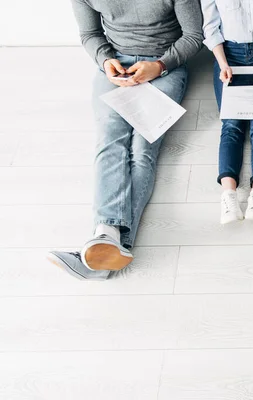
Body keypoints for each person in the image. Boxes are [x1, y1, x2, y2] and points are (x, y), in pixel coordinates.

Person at [47, 0, 204, 280]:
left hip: (164, 65)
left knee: (143, 147)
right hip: (116, 64)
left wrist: (159, 66)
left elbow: (194, 35)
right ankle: (109, 239)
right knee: (110, 140)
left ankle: (106, 242)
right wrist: (105, 61)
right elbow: (90, 35)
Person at [202, 0, 253, 224]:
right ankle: (229, 197)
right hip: (228, 54)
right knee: (231, 124)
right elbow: (211, 27)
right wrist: (222, 64)